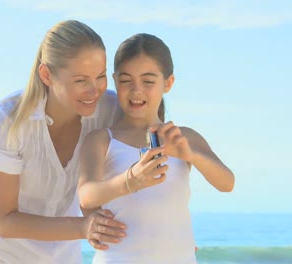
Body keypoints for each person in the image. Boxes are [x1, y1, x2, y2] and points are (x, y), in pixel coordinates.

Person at [0, 20, 127, 263]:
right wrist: (83, 227)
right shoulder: (8, 120)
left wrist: (172, 236)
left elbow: (154, 150)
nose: (94, 91)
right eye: (81, 81)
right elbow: (3, 221)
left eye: (100, 76)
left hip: (61, 252)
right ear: (46, 75)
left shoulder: (110, 110)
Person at [78, 33, 235, 263]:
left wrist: (190, 155)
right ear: (114, 80)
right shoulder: (101, 139)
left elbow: (227, 183)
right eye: (126, 80)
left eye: (148, 81)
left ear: (168, 83)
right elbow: (86, 195)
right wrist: (132, 179)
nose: (136, 90)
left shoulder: (183, 137)